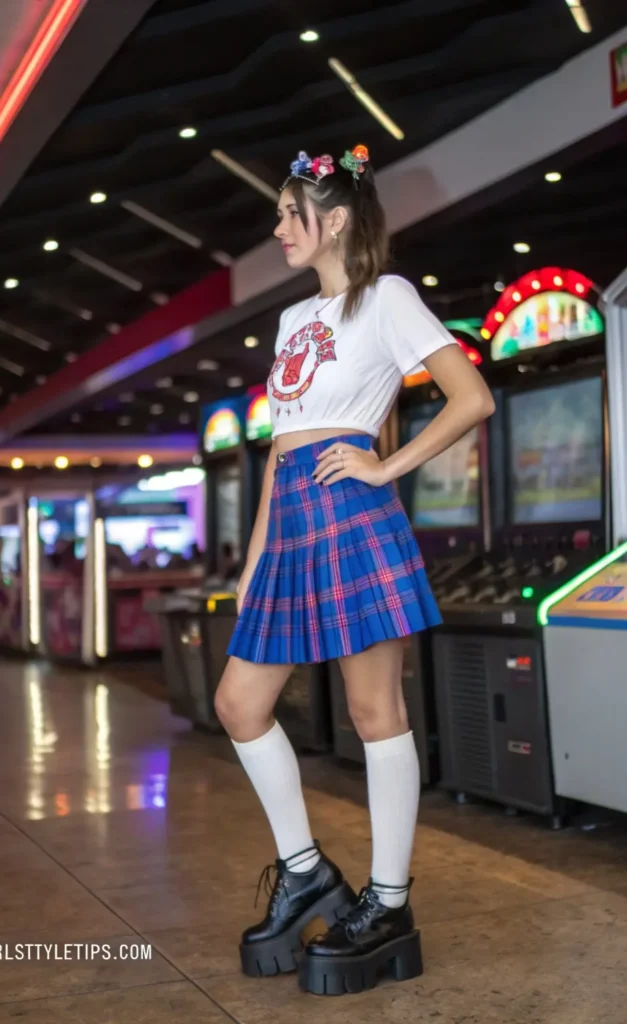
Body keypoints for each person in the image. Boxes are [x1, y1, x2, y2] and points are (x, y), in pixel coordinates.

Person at [213, 145, 495, 996]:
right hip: (292, 515)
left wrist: (382, 465)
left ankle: (390, 899)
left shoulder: (388, 300)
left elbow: (469, 395)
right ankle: (305, 873)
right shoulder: (293, 322)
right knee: (238, 701)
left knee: (376, 712)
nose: (276, 228)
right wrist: (256, 563)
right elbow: (276, 456)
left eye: (287, 213)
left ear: (332, 219)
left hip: (349, 512)